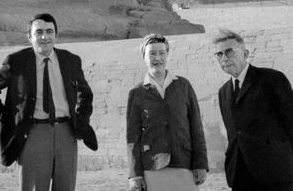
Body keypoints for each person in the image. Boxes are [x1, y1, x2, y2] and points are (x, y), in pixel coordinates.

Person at [0, 13, 98, 191]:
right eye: (39, 32)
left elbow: (86, 94)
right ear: (30, 37)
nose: (45, 37)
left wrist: (81, 119)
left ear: (56, 35)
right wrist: (5, 117)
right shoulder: (17, 61)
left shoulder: (71, 60)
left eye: (49, 31)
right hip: (33, 134)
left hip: (67, 134)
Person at [213, 29, 293, 191]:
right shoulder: (223, 92)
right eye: (219, 54)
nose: (224, 58)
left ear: (245, 53)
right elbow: (233, 134)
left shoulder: (272, 79)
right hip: (240, 176)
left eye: (229, 52)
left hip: (275, 173)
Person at [126, 34, 208, 191]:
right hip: (152, 167)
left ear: (167, 55)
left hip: (185, 163)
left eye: (162, 53)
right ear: (144, 56)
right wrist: (135, 175)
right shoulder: (136, 93)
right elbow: (132, 138)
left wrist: (201, 164)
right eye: (152, 53)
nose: (158, 58)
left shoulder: (183, 86)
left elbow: (196, 127)